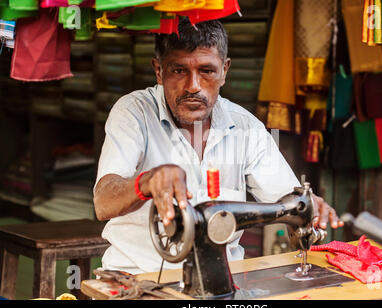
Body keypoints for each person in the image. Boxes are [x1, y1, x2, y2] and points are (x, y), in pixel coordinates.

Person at [93, 18, 343, 275]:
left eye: (207, 71)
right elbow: (103, 203)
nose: (193, 86)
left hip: (222, 281)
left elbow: (288, 199)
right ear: (158, 71)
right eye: (178, 70)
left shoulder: (245, 127)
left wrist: (311, 207)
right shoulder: (134, 113)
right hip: (137, 279)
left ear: (225, 70)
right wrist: (145, 182)